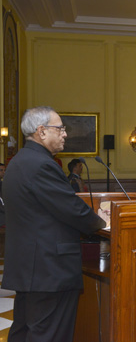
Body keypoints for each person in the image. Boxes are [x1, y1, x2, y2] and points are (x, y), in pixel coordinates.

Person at [2, 106, 107, 342]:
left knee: (24, 331)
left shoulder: (19, 161)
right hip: (49, 270)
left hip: (30, 268)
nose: (65, 134)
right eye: (60, 128)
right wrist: (102, 222)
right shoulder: (42, 165)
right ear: (41, 131)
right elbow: (72, 209)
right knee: (49, 335)